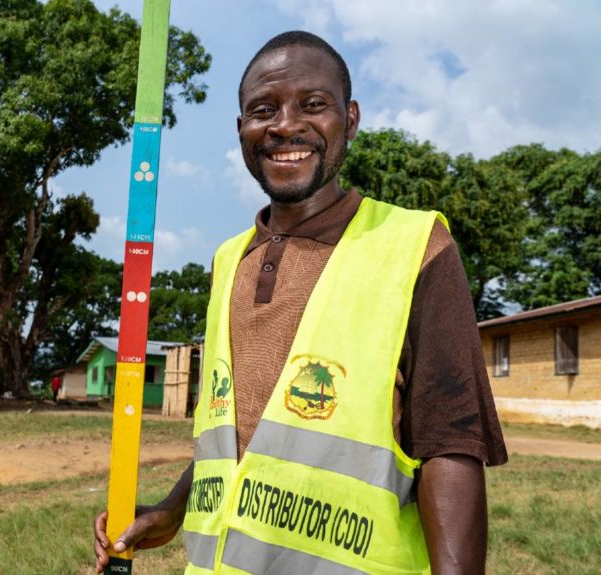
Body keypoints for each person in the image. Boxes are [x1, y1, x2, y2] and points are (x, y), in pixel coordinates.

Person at [94, 30, 507, 575]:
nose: (285, 125)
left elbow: (450, 446)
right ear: (241, 129)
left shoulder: (415, 245)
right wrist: (171, 512)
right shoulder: (228, 259)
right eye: (263, 110)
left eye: (313, 105)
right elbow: (238, 430)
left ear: (350, 119)